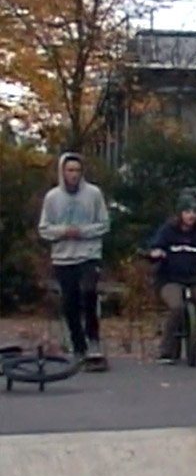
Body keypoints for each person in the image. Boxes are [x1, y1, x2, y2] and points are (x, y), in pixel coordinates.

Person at [37, 151, 111, 361]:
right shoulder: (52, 198)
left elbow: (104, 224)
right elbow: (44, 229)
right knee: (70, 301)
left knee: (89, 293)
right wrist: (62, 232)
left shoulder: (94, 194)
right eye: (70, 170)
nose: (74, 175)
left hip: (88, 255)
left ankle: (93, 338)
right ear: (62, 172)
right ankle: (78, 345)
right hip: (63, 257)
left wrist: (83, 231)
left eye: (77, 170)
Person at [147, 193, 196, 364]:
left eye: (194, 212)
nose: (191, 215)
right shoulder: (167, 231)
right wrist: (156, 253)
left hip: (194, 280)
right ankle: (167, 351)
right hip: (170, 280)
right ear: (179, 214)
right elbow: (154, 248)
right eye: (187, 211)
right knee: (176, 306)